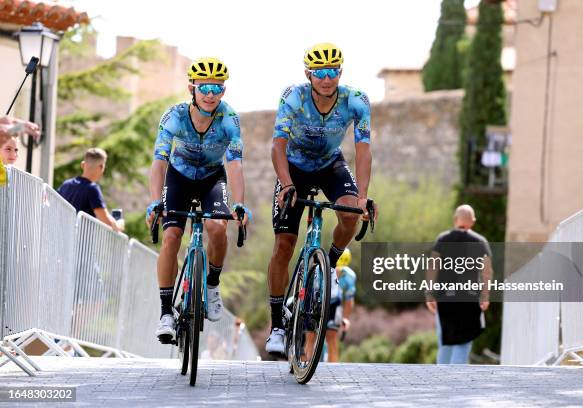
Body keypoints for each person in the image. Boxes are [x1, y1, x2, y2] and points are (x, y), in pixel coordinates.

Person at [265, 42, 377, 354]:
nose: (327, 79)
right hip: (295, 169)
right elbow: (278, 146)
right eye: (320, 73)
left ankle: (327, 263)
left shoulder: (356, 100)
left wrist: (363, 196)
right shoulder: (294, 97)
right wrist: (286, 184)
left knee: (351, 214)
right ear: (308, 74)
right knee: (284, 245)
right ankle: (276, 324)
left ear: (340, 73)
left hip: (331, 165)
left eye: (333, 72)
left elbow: (363, 150)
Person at [146, 57, 249, 344]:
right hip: (178, 178)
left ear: (223, 91)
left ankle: (212, 284)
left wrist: (238, 204)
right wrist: (156, 202)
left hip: (211, 180)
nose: (210, 94)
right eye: (205, 87)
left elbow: (235, 165)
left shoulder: (229, 120)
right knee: (172, 236)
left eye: (217, 88)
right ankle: (166, 312)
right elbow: (159, 162)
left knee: (217, 227)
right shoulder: (174, 116)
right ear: (192, 87)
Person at [425, 204, 492, 364]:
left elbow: (432, 268)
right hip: (469, 299)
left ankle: (441, 379)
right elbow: (487, 271)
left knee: (445, 343)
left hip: (445, 299)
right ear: (473, 221)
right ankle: (456, 383)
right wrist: (485, 295)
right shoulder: (480, 241)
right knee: (463, 342)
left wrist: (429, 294)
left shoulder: (442, 239)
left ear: (455, 219)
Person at [57, 148, 124, 232]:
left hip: (61, 240)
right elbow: (106, 220)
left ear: (83, 165)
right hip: (81, 243)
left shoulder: (66, 184)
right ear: (101, 167)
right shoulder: (92, 189)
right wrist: (119, 225)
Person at [325, 248, 356, 362]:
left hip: (329, 305)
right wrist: (346, 318)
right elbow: (349, 300)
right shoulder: (350, 275)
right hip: (333, 306)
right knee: (331, 341)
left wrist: (346, 318)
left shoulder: (323, 267)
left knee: (312, 340)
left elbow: (349, 300)